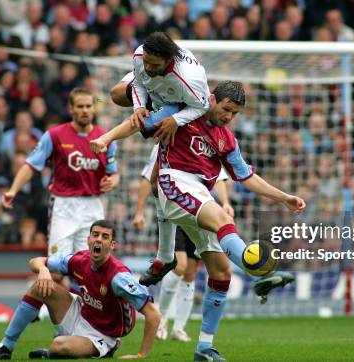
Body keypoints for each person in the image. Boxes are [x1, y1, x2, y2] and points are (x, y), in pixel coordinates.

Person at [91, 81, 305, 360]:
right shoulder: (183, 111)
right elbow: (137, 123)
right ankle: (258, 272)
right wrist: (106, 138)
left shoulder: (227, 139)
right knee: (220, 218)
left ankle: (204, 347)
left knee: (220, 272)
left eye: (235, 113)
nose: (229, 116)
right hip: (173, 181)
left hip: (200, 193)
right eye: (226, 109)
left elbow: (246, 176)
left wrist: (283, 197)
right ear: (212, 99)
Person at [111, 31, 212, 285]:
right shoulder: (140, 57)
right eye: (146, 61)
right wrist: (138, 107)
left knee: (159, 179)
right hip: (158, 97)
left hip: (181, 109)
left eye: (153, 64)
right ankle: (166, 256)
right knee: (114, 94)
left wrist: (174, 120)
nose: (147, 66)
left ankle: (167, 256)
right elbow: (139, 80)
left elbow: (201, 107)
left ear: (168, 60)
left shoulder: (189, 79)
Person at [0, 220, 161, 359]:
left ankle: (105, 349)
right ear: (88, 239)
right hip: (81, 312)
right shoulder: (79, 260)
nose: (98, 239)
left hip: (103, 335)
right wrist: (44, 270)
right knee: (40, 286)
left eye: (105, 237)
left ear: (112, 245)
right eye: (95, 235)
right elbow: (34, 261)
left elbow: (153, 314)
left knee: (59, 346)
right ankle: (6, 346)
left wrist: (141, 355)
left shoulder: (119, 277)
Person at [2, 87, 120, 257]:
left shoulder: (105, 139)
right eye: (80, 106)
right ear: (71, 109)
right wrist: (13, 190)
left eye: (88, 106)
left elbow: (114, 173)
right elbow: (31, 165)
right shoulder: (55, 135)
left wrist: (112, 182)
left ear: (94, 108)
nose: (85, 110)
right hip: (63, 206)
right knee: (57, 267)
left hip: (93, 206)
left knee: (90, 268)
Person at [134, 145, 234, 342]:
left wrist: (225, 202)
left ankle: (178, 328)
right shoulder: (164, 142)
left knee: (190, 271)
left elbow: (220, 177)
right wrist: (139, 212)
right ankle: (161, 320)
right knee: (179, 266)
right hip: (176, 208)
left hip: (199, 211)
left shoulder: (206, 141)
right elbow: (148, 178)